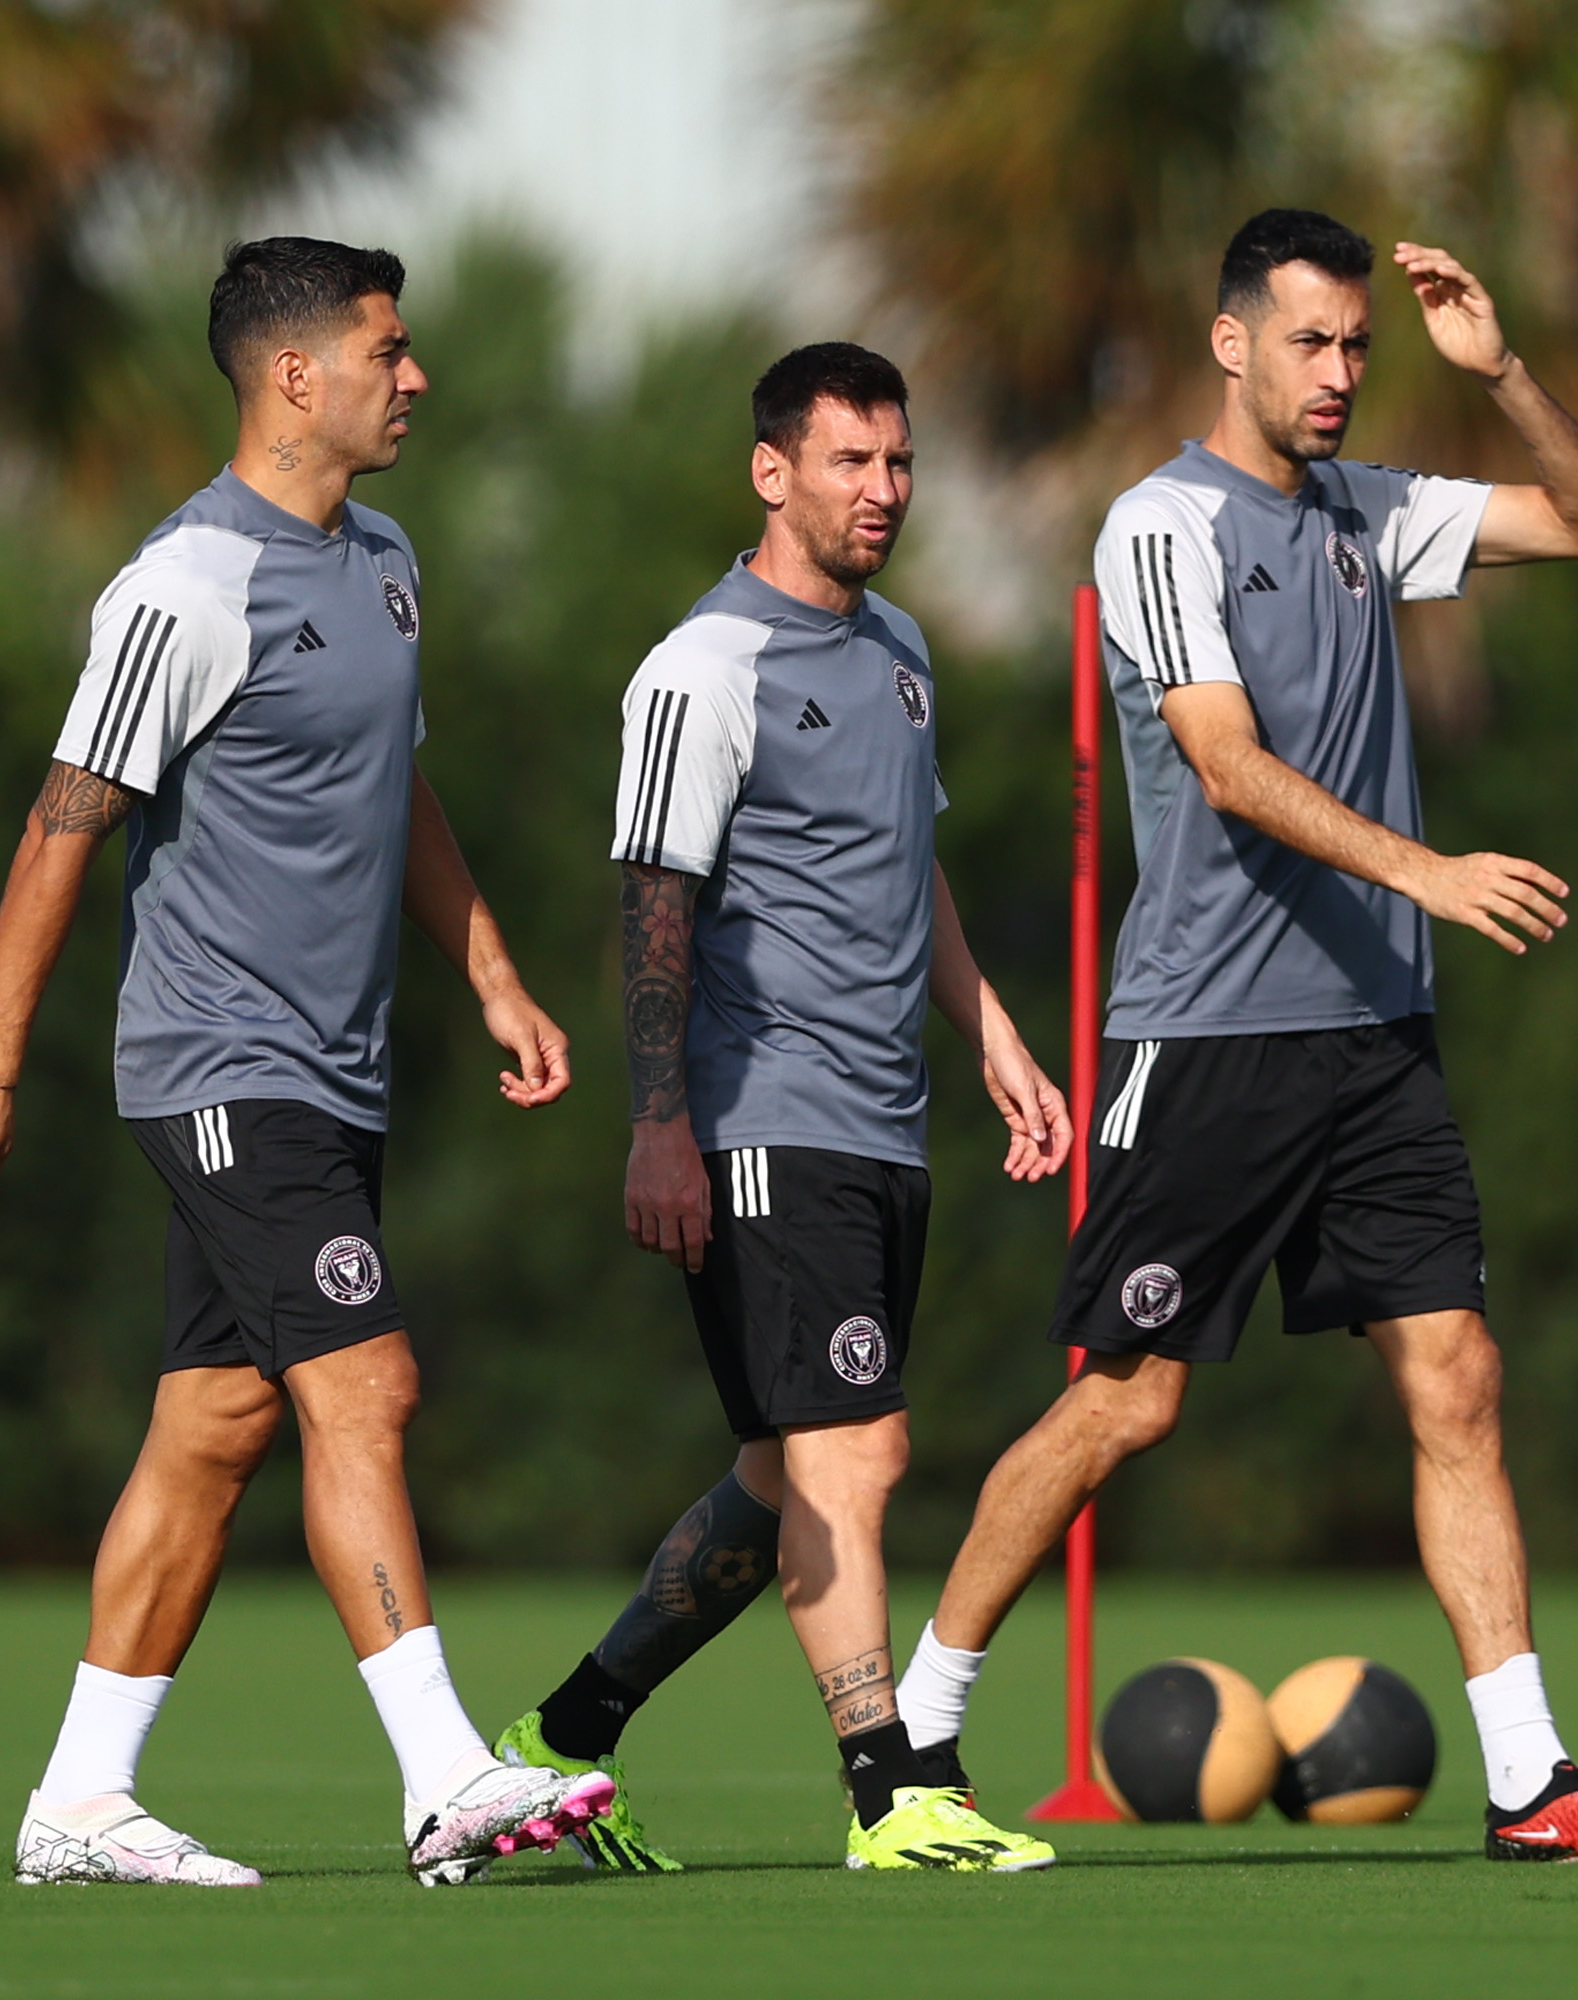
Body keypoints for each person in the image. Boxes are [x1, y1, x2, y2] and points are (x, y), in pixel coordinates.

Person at [891, 209, 1578, 1864]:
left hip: (1378, 1040)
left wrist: (1502, 375)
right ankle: (913, 1732)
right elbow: (1221, 761)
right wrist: (1428, 867)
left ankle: (1533, 1785)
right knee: (1125, 1405)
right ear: (1232, 345)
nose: (1342, 373)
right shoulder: (1159, 525)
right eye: (1310, 343)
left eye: (1359, 346)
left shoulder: (1369, 510)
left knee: (1459, 1377)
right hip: (1210, 1039)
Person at [0, 236, 613, 1891]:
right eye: (390, 348)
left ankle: (81, 1801)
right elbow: (61, 830)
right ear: (297, 375)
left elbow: (397, 791)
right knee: (365, 1386)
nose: (416, 374)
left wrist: (493, 973)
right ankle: (446, 1776)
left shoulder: (385, 560)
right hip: (220, 1064)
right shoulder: (182, 585)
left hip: (332, 1069)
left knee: (216, 1427)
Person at [490, 343, 1070, 1874]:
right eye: (849, 463)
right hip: (761, 1121)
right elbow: (656, 904)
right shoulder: (703, 668)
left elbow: (910, 863)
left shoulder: (901, 651)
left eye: (898, 464)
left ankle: (567, 1735)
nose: (882, 491)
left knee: (780, 1471)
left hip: (883, 1121)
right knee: (852, 1454)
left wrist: (996, 1030)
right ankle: (895, 1795)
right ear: (773, 472)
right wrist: (659, 1123)